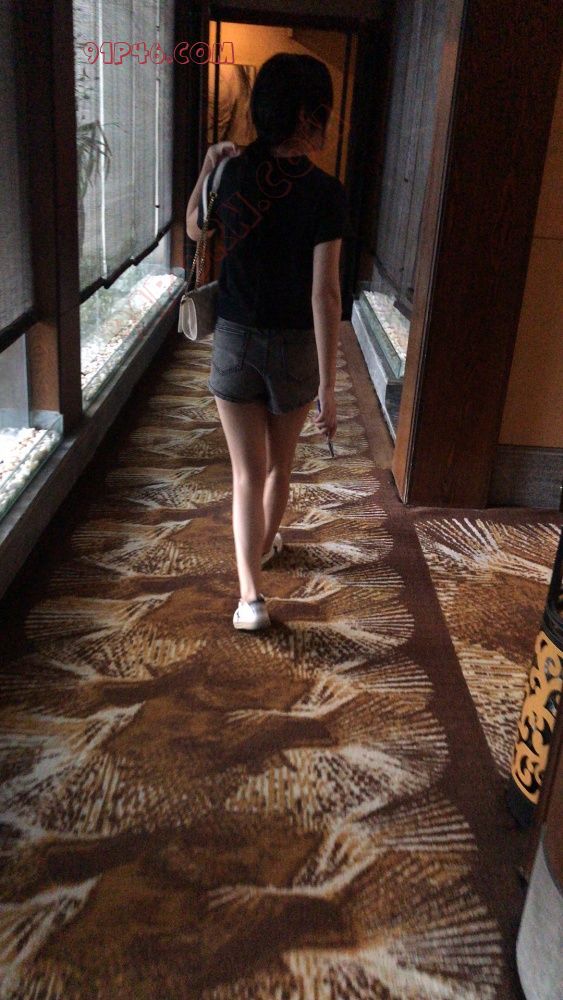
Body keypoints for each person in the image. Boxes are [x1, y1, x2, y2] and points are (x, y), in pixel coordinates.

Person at [185, 53, 348, 631]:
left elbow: (195, 228)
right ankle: (265, 543)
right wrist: (329, 386)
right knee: (280, 467)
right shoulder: (327, 193)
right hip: (296, 349)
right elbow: (325, 295)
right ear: (307, 116)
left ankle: (250, 598)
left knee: (245, 475)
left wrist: (208, 169)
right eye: (324, 112)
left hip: (234, 342)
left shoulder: (231, 172)